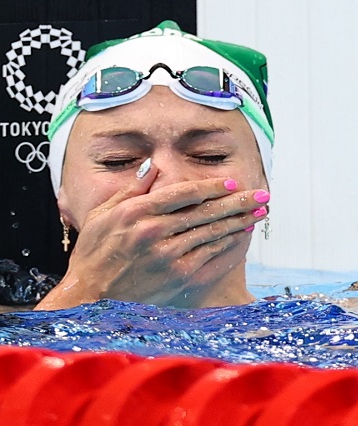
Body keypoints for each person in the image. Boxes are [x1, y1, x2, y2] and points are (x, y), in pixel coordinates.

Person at [35, 21, 274, 310]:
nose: (169, 186)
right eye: (118, 160)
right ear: (63, 198)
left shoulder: (319, 327)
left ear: (262, 180)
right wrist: (85, 288)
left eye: (210, 155)